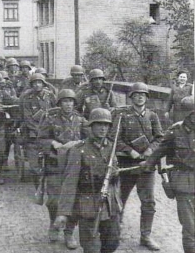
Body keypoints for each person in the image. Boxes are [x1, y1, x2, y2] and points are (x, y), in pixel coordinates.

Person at [55, 108, 122, 253]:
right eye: (98, 124)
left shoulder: (111, 147)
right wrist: (63, 212)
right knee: (90, 247)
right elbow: (70, 183)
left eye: (106, 125)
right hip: (88, 205)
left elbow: (115, 179)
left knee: (112, 243)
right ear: (91, 126)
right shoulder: (79, 150)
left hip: (109, 204)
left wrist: (115, 175)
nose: (103, 128)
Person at [140, 96, 195, 253]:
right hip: (185, 183)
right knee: (191, 228)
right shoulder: (175, 132)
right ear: (189, 114)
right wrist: (148, 163)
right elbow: (159, 152)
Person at [114, 82, 163, 251]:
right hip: (127, 165)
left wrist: (150, 150)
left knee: (148, 202)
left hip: (146, 166)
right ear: (131, 97)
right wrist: (130, 151)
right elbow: (116, 140)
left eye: (143, 94)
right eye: (136, 94)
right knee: (119, 199)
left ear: (146, 97)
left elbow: (160, 138)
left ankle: (146, 236)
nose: (140, 96)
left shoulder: (152, 116)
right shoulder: (122, 116)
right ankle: (115, 231)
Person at [38, 89, 88, 249]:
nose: (68, 104)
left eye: (71, 101)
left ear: (74, 103)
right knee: (53, 200)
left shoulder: (81, 120)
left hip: (75, 166)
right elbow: (41, 139)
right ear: (59, 103)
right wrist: (53, 144)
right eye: (65, 101)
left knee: (74, 200)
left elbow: (90, 139)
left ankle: (69, 232)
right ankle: (54, 224)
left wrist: (79, 143)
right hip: (55, 165)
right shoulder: (51, 119)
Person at [21, 73, 56, 188]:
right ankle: (38, 186)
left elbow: (56, 111)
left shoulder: (50, 96)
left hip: (50, 132)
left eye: (39, 82)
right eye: (34, 83)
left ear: (43, 84)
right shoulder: (27, 98)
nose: (37, 85)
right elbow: (28, 118)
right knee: (34, 166)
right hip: (33, 133)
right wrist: (39, 131)